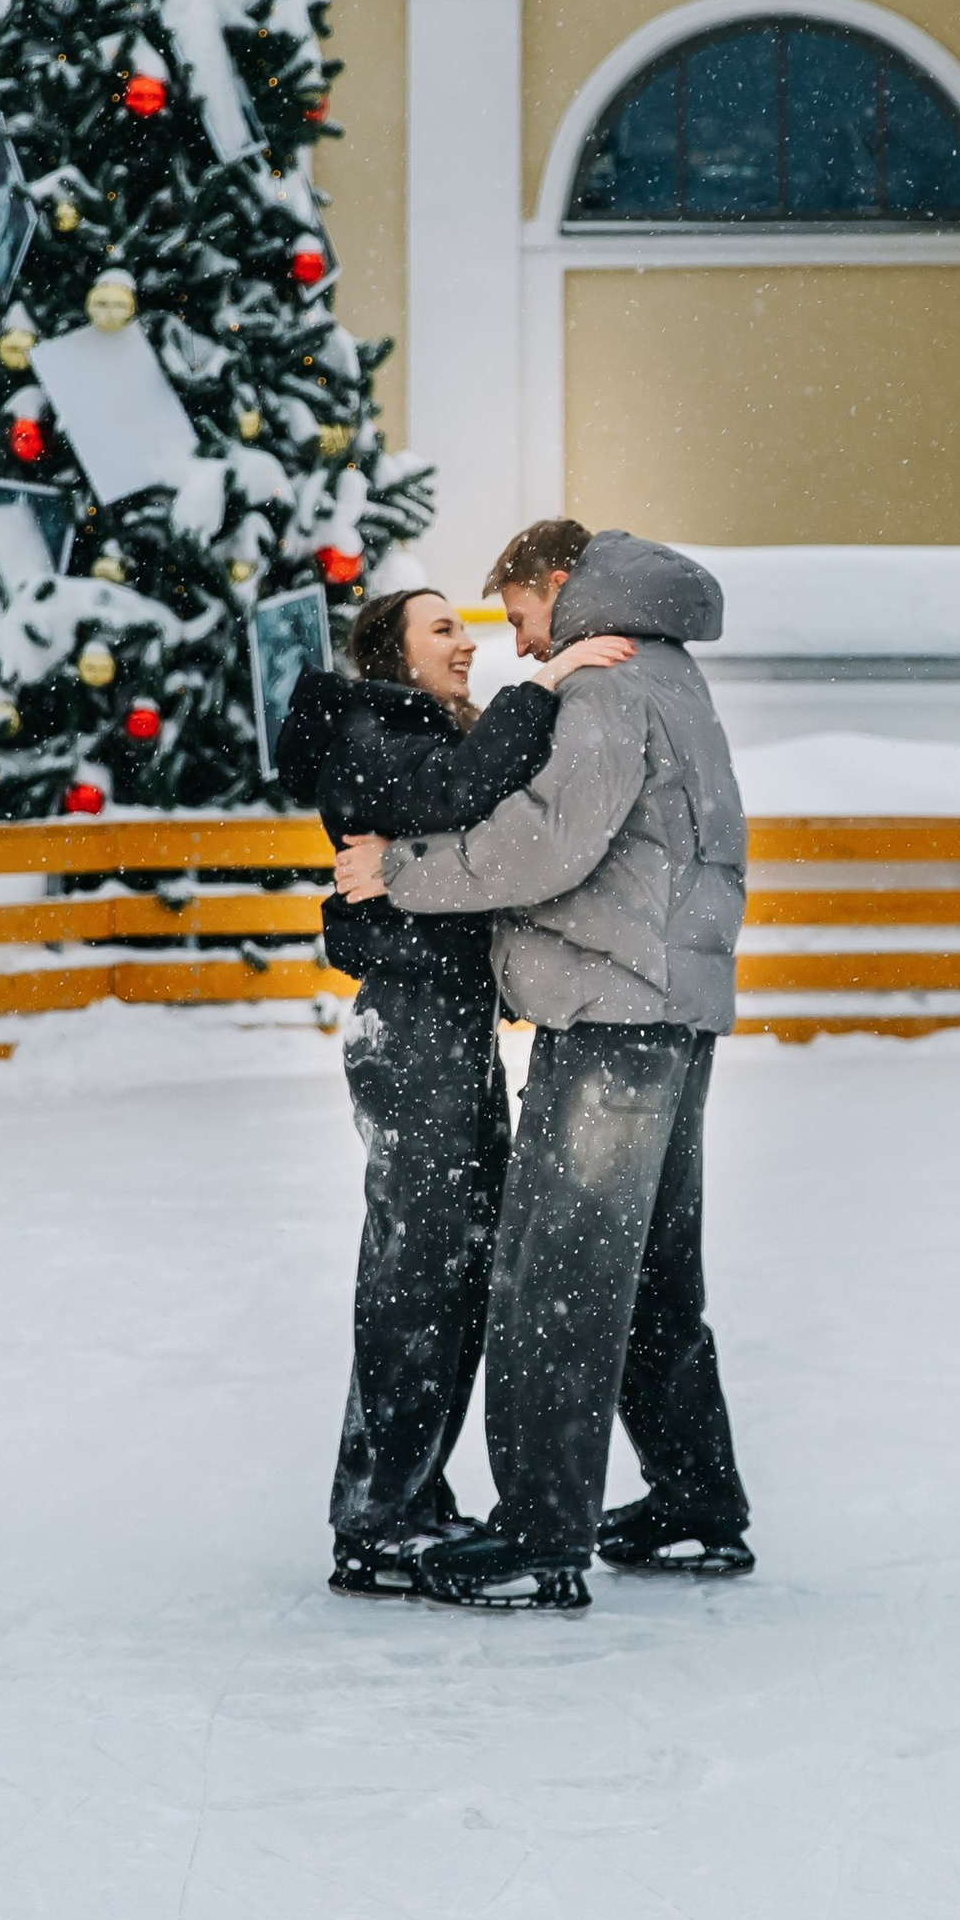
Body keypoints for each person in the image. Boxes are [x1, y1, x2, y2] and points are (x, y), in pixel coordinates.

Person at [331, 520, 751, 1613]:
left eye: (519, 617)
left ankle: (538, 1532)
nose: (517, 644)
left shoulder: (606, 683)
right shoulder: (668, 669)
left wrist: (402, 871)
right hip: (673, 1005)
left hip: (612, 1013)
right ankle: (696, 1501)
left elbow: (547, 842)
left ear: (559, 584)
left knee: (554, 1274)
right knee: (652, 1277)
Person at [276, 582, 632, 1599]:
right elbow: (460, 792)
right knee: (417, 1272)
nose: (465, 643)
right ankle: (376, 1518)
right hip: (411, 1027)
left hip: (450, 1023)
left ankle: (411, 1497)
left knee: (456, 1270)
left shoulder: (416, 731)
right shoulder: (365, 726)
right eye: (443, 628)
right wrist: (549, 680)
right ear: (393, 651)